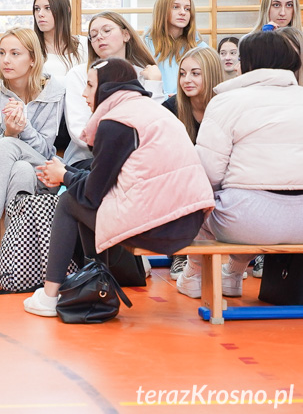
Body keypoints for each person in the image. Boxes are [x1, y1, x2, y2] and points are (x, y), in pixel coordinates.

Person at [24, 58, 213, 317]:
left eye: (90, 85)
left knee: (70, 202)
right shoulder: (147, 109)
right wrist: (69, 175)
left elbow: (93, 195)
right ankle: (94, 285)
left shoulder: (116, 122)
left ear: (108, 88)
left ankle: (49, 296)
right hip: (187, 221)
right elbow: (108, 180)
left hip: (162, 225)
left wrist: (64, 175)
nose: (83, 93)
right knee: (81, 194)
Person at [177, 31, 303, 299]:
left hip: (247, 220)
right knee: (245, 202)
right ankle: (232, 273)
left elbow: (207, 173)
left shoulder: (226, 101)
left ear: (247, 64)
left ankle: (194, 275)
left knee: (203, 199)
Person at [0, 26, 65, 268]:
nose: (5, 60)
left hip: (43, 173)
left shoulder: (54, 91)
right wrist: (9, 132)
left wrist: (22, 129)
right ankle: (15, 256)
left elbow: (46, 149)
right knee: (19, 169)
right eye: (2, 52)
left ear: (32, 59)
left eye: (15, 54)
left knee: (16, 154)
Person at [63, 11, 164, 168]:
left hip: (137, 158)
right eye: (93, 35)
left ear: (126, 35)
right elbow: (80, 133)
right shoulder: (78, 74)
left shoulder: (145, 75)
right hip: (88, 160)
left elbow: (156, 127)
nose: (100, 37)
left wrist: (154, 85)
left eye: (107, 30)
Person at [161, 46, 224, 279]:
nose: (186, 80)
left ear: (211, 74)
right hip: (184, 181)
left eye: (195, 73)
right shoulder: (170, 109)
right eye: (182, 73)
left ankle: (248, 255)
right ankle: (180, 253)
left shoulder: (226, 107)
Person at [143, 0, 207, 95]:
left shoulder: (201, 48)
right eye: (175, 7)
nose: (183, 12)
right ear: (162, 10)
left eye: (187, 9)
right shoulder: (145, 45)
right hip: (156, 105)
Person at [33, 0, 86, 78]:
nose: (40, 14)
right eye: (37, 8)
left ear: (66, 10)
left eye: (48, 8)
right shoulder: (30, 48)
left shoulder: (84, 45)